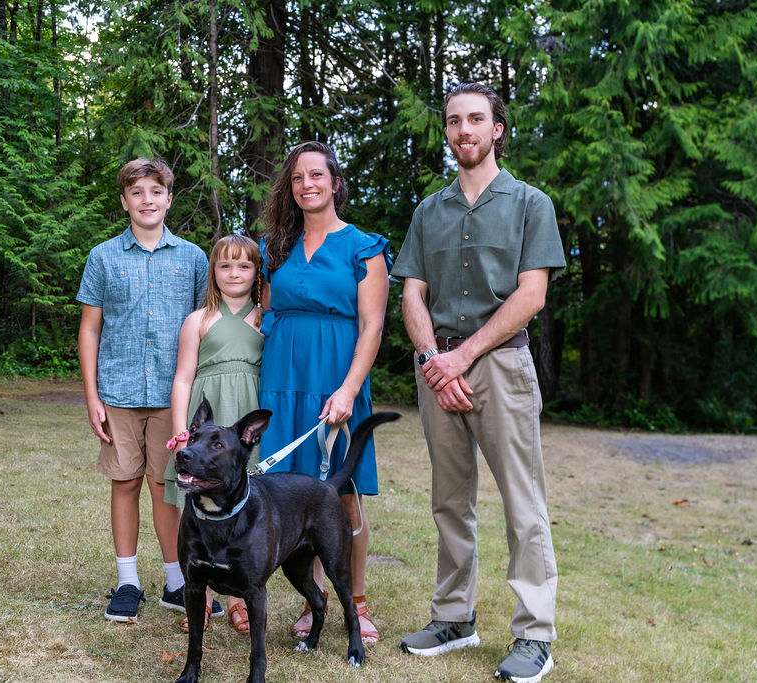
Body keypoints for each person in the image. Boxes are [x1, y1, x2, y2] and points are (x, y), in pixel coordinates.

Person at [392, 82, 565, 682]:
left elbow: (533, 294)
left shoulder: (529, 203)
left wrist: (461, 356)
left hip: (500, 367)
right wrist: (431, 359)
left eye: (475, 120)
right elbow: (412, 291)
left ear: (497, 129)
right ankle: (453, 618)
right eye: (453, 121)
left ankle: (534, 635)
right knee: (449, 501)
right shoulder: (427, 210)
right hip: (436, 370)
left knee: (524, 505)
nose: (463, 130)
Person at [257, 140, 392, 644]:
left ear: (335, 183)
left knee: (344, 498)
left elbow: (373, 325)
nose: (307, 184)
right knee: (292, 493)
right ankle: (313, 604)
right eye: (297, 178)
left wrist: (348, 390)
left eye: (317, 175)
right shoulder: (276, 247)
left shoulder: (363, 246)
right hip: (282, 379)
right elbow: (266, 314)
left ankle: (356, 601)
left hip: (337, 377)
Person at [76, 157, 211, 625]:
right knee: (126, 482)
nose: (147, 200)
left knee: (167, 488)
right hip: (119, 390)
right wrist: (93, 396)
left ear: (169, 199)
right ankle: (128, 580)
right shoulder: (104, 257)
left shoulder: (194, 258)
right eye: (137, 192)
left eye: (156, 191)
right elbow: (90, 330)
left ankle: (177, 584)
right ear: (124, 201)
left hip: (174, 396)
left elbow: (203, 325)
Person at [165, 233, 264, 634]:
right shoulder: (199, 319)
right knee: (197, 508)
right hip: (206, 419)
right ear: (213, 272)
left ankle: (239, 595)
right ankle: (200, 597)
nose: (234, 273)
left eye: (244, 265)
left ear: (257, 272)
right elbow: (183, 378)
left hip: (244, 419)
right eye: (225, 265)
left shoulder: (265, 316)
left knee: (241, 506)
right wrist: (180, 433)